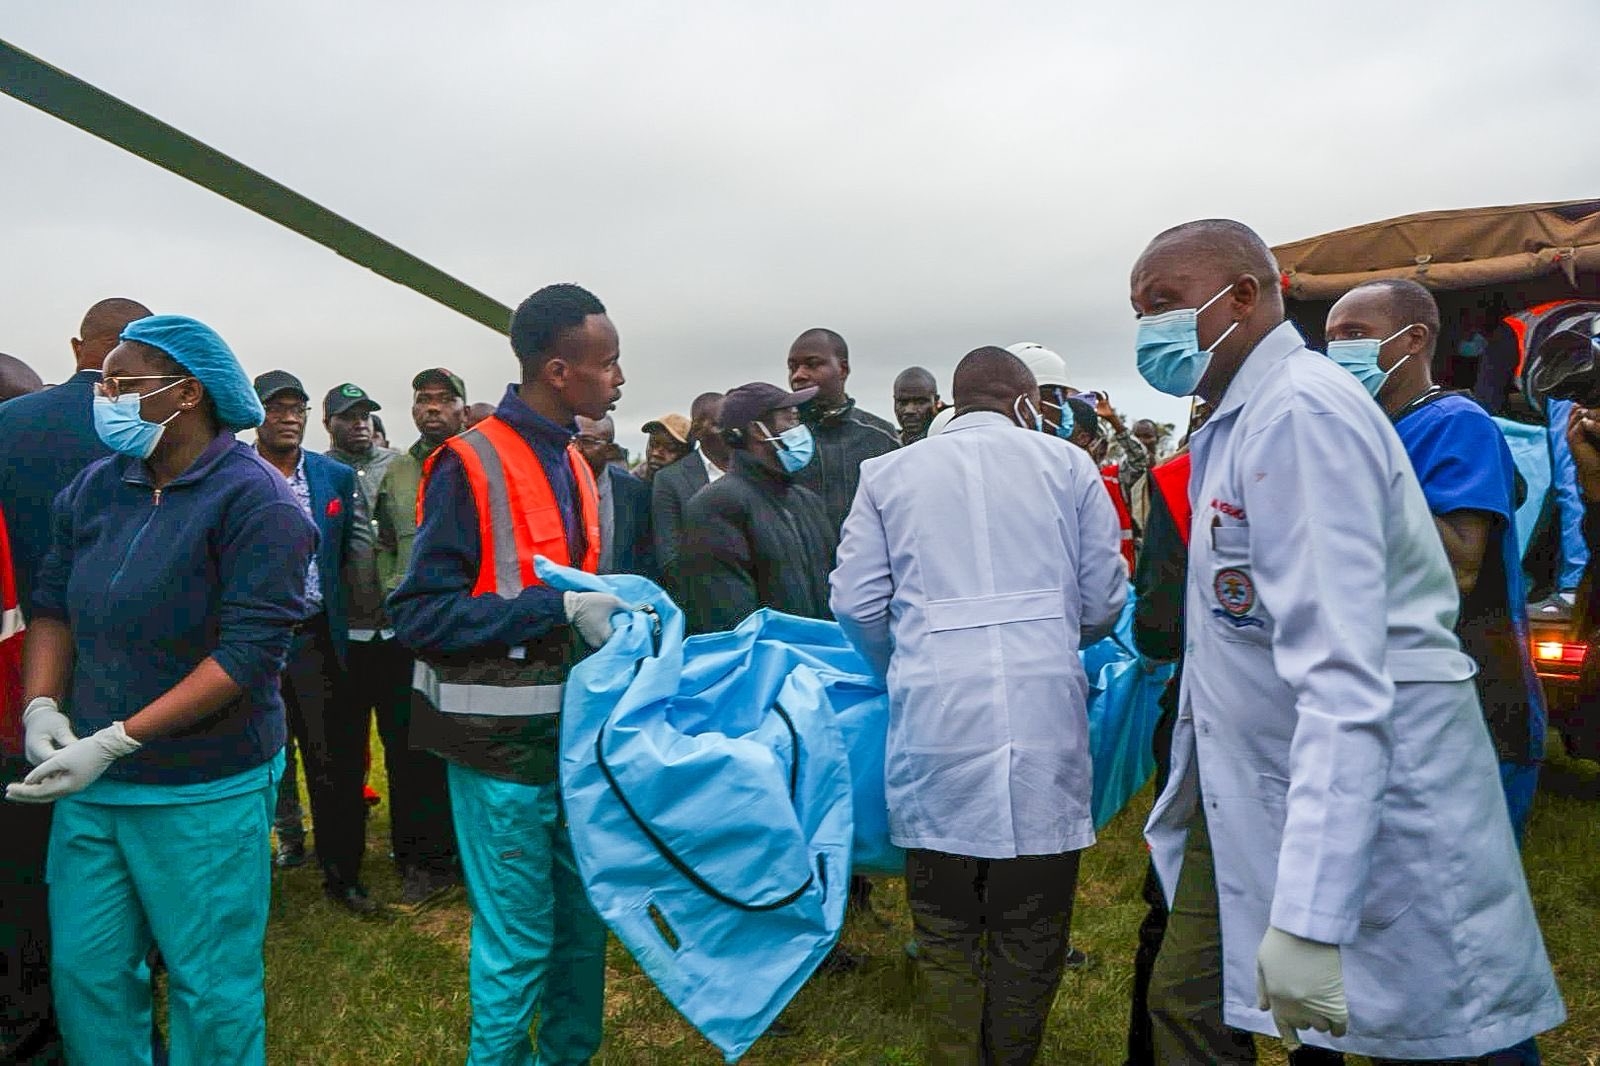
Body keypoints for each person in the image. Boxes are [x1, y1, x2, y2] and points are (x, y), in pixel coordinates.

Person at [1131, 219, 1563, 1062]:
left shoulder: (1300, 417)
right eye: (1140, 311)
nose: (1149, 328)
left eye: (1163, 302)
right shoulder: (1241, 421)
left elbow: (1344, 675)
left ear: (1243, 296)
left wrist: (1307, 919)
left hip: (1368, 782)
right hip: (1260, 780)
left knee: (1447, 1037)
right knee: (1187, 1001)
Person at [5, 315, 314, 1066]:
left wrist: (121, 738)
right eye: (102, 382)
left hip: (201, 789)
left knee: (210, 983)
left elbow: (248, 653)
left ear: (186, 393)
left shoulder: (257, 501)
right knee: (89, 974)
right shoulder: (98, 488)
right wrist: (41, 705)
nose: (103, 397)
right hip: (95, 790)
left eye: (122, 383)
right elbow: (53, 606)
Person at [831, 346, 1125, 1065]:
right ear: (1024, 401)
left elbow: (856, 603)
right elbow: (1104, 600)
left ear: (953, 403)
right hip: (1044, 721)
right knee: (1033, 929)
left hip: (935, 725)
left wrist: (905, 664)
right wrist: (1050, 637)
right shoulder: (1068, 466)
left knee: (947, 927)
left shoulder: (887, 474)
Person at [389, 283, 623, 1066]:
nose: (619, 379)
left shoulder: (574, 463)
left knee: (580, 932)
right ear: (559, 371)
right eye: (608, 363)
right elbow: (420, 615)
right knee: (519, 941)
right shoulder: (471, 463)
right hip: (497, 751)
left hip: (571, 742)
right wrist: (557, 610)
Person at [1325, 279, 1548, 848]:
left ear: (1414, 339)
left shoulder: (1455, 422)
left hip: (1469, 688)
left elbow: (1460, 568)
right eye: (1331, 339)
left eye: (1355, 334)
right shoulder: (1373, 429)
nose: (1339, 351)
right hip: (1387, 685)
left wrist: (1363, 472)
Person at [0, 296, 150, 1064]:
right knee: (131, 864)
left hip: (25, 680)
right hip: (140, 688)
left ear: (75, 346)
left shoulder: (10, 426)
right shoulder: (158, 428)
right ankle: (133, 1010)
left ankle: (33, 1032)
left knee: (25, 875)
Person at [323, 382, 460, 903]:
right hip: (345, 637)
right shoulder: (321, 472)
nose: (359, 423)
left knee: (410, 753)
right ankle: (344, 868)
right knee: (341, 756)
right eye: (348, 416)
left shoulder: (401, 466)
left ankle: (417, 858)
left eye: (366, 415)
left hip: (401, 634)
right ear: (328, 424)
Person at [252, 371, 380, 915]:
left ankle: (342, 876)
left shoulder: (333, 477)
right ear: (254, 413)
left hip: (316, 640)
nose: (288, 417)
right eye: (276, 408)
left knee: (335, 762)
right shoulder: (235, 470)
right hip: (253, 644)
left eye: (297, 408)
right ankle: (252, 875)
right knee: (257, 763)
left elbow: (352, 555)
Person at [0, 298, 151, 609]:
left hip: (18, 615)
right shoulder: (155, 426)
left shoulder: (7, 417)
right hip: (124, 616)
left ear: (76, 347)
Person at [677, 382, 836, 636]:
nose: (799, 431)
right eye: (791, 420)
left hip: (824, 654)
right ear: (757, 431)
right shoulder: (716, 506)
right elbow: (731, 622)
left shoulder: (806, 501)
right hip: (767, 658)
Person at [786, 328, 900, 532]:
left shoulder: (881, 436)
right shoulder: (779, 439)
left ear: (843, 369)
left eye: (812, 364)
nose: (798, 375)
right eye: (792, 367)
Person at [373, 368, 469, 604]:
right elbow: (385, 541)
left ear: (465, 412)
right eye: (424, 399)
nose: (433, 408)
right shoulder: (398, 469)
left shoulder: (485, 461)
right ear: (413, 410)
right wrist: (390, 584)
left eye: (446, 399)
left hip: (472, 604)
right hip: (412, 607)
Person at [651, 391, 728, 594]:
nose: (731, 431)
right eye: (721, 425)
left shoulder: (751, 469)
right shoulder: (670, 479)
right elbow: (670, 557)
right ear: (697, 431)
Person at [575, 414, 656, 577]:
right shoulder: (553, 484)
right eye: (572, 440)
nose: (577, 449)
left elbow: (646, 559)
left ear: (610, 450)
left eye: (587, 441)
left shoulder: (635, 492)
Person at [892, 366, 942, 445]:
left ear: (936, 402)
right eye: (902, 402)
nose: (909, 410)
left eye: (920, 402)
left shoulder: (948, 444)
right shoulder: (885, 446)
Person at [640, 412, 693, 482]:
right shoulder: (631, 483)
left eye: (670, 448)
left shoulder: (698, 485)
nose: (656, 453)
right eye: (653, 444)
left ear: (686, 453)